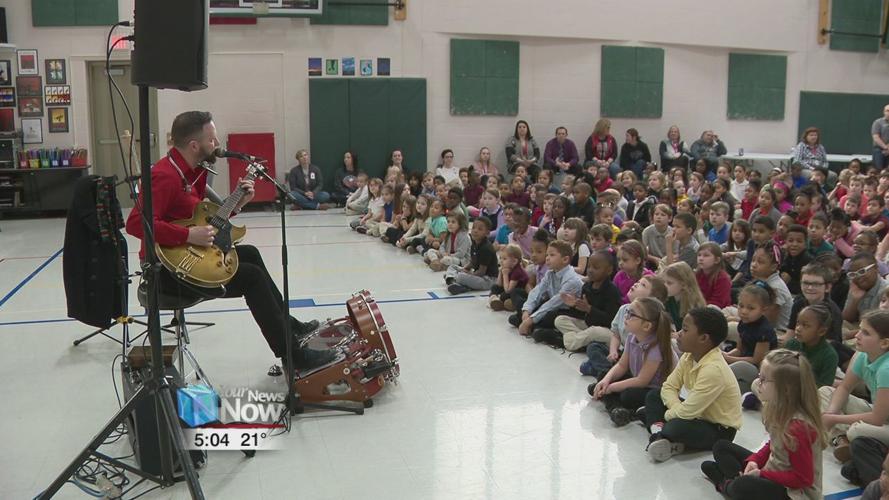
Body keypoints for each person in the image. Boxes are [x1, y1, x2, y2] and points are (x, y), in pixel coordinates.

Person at [124, 110, 332, 370]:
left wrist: (237, 205)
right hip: (166, 272)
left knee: (251, 255)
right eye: (212, 140)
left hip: (186, 254)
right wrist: (188, 235)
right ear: (194, 145)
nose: (217, 145)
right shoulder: (165, 176)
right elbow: (135, 223)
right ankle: (294, 357)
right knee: (251, 278)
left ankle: (289, 326)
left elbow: (201, 220)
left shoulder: (192, 172)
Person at [702, 349, 827, 499]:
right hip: (774, 470)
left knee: (743, 486)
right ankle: (735, 481)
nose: (758, 383)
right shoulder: (777, 408)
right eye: (759, 377)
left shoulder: (798, 427)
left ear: (786, 389)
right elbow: (773, 445)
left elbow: (803, 479)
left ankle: (727, 484)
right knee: (721, 446)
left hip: (795, 492)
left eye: (763, 380)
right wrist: (755, 461)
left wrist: (762, 474)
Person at [644, 307, 742, 462]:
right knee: (653, 395)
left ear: (703, 338)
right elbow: (669, 387)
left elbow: (687, 412)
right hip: (697, 415)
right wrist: (674, 409)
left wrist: (668, 414)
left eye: (685, 329)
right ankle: (659, 435)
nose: (679, 334)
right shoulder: (688, 356)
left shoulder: (714, 369)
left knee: (675, 427)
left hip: (718, 429)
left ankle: (659, 428)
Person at [591, 297, 677, 427]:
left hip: (654, 390)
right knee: (603, 375)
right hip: (638, 382)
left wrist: (612, 387)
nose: (626, 316)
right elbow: (621, 365)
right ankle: (616, 409)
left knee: (628, 395)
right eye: (627, 312)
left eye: (632, 315)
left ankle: (625, 411)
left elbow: (642, 381)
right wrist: (606, 380)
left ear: (646, 326)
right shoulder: (632, 337)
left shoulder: (656, 347)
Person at [820, 310, 889, 463]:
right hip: (878, 414)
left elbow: (877, 418)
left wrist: (834, 418)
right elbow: (845, 387)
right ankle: (841, 440)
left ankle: (847, 439)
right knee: (824, 392)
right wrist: (831, 413)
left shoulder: (886, 368)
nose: (857, 335)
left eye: (866, 333)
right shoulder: (862, 355)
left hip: (882, 421)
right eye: (859, 329)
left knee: (857, 431)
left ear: (884, 343)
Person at [549, 250, 622, 352]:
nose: (590, 270)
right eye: (589, 267)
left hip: (607, 332)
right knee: (560, 320)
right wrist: (575, 305)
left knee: (594, 332)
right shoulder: (587, 286)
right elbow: (583, 315)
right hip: (588, 326)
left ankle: (570, 343)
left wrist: (589, 309)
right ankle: (584, 342)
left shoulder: (612, 291)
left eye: (596, 268)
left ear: (609, 270)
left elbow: (611, 321)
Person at [509, 240, 584, 337]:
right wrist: (526, 311)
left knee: (550, 316)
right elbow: (537, 291)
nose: (547, 258)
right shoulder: (550, 273)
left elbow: (553, 304)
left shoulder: (571, 280)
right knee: (516, 292)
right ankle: (528, 321)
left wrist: (530, 320)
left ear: (565, 259)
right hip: (551, 306)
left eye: (552, 255)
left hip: (567, 311)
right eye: (547, 255)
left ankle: (534, 325)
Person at [724, 283, 778, 393]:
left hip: (759, 371)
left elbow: (756, 360)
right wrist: (725, 355)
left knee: (733, 369)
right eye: (741, 306)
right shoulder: (743, 323)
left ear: (763, 310)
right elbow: (739, 349)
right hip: (743, 361)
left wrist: (728, 359)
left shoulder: (764, 330)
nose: (744, 311)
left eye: (751, 308)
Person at [445, 218, 498, 295]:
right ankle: (455, 282)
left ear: (487, 233)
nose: (475, 231)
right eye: (473, 227)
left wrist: (468, 274)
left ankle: (454, 280)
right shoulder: (474, 243)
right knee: (452, 267)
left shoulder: (486, 248)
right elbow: (473, 261)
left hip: (487, 280)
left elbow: (481, 272)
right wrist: (465, 269)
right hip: (477, 274)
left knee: (461, 277)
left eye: (480, 229)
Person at [844, 252, 889, 325]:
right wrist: (855, 300)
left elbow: (882, 327)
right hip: (861, 328)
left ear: (876, 268)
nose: (858, 277)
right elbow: (847, 319)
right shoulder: (856, 287)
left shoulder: (886, 290)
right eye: (853, 274)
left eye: (862, 271)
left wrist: (849, 335)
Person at [662, 262, 706, 331]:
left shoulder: (694, 304)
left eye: (669, 283)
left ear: (684, 285)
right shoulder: (668, 298)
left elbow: (694, 330)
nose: (664, 286)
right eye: (663, 282)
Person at [489, 244, 529, 312]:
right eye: (500, 258)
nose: (501, 261)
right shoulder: (508, 268)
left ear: (514, 261)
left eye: (504, 259)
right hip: (508, 288)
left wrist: (505, 275)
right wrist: (500, 272)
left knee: (504, 295)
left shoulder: (517, 271)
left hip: (518, 293)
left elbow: (508, 290)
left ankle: (506, 303)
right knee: (494, 287)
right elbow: (499, 284)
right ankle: (495, 300)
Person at [696, 243, 733, 308]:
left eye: (706, 255)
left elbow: (717, 303)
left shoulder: (723, 278)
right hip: (700, 308)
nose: (701, 258)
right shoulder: (697, 274)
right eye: (699, 255)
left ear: (717, 260)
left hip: (718, 312)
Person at [872, 104, 889, 170]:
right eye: (887, 111)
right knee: (879, 169)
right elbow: (876, 137)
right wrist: (885, 147)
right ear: (884, 112)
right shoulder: (878, 122)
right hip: (879, 150)